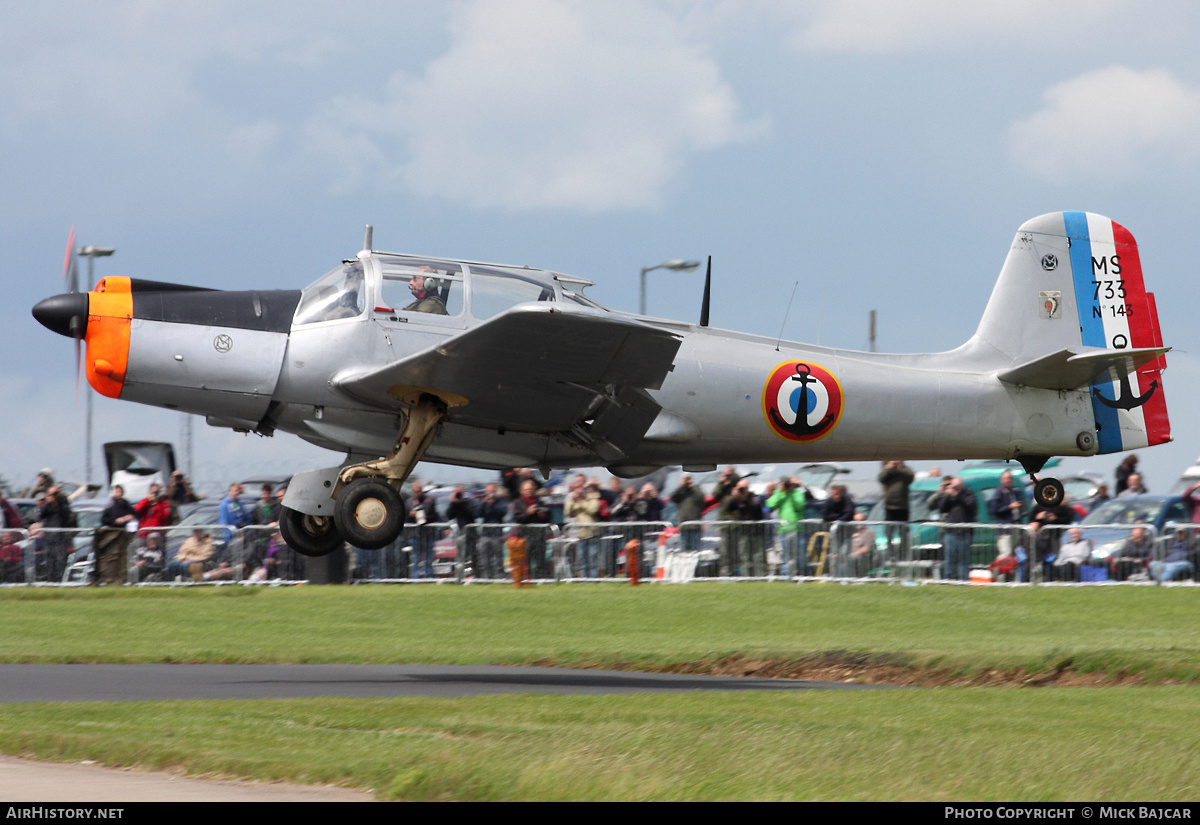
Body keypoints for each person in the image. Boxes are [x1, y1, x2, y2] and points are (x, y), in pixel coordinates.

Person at [928, 476, 976, 581]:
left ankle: (963, 581)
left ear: (961, 486)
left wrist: (957, 495)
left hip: (965, 532)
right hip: (950, 532)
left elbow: (970, 505)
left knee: (963, 560)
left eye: (956, 486)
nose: (954, 489)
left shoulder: (969, 494)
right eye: (953, 486)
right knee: (949, 560)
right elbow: (942, 508)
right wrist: (946, 495)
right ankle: (948, 580)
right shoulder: (949, 496)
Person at [96, 485, 136, 586]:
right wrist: (115, 521)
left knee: (124, 558)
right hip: (112, 535)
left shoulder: (126, 504)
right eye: (116, 491)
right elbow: (104, 520)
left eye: (120, 491)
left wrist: (126, 518)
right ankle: (109, 579)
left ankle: (122, 579)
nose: (118, 493)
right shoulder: (110, 505)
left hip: (124, 535)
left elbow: (134, 515)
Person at [510, 479, 551, 579]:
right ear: (522, 491)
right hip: (525, 537)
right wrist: (527, 513)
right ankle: (525, 580)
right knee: (525, 561)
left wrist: (543, 516)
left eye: (531, 489)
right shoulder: (517, 503)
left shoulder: (540, 501)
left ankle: (541, 579)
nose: (529, 491)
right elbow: (517, 518)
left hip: (539, 536)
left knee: (540, 560)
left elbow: (549, 517)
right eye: (527, 490)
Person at [768, 477, 807, 577]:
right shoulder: (780, 493)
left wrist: (791, 492)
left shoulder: (797, 493)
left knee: (800, 555)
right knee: (786, 555)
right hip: (784, 530)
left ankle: (801, 575)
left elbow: (799, 505)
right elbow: (770, 504)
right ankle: (786, 576)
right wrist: (780, 492)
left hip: (797, 529)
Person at [566, 478, 604, 578]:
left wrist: (581, 502)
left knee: (592, 560)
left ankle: (593, 580)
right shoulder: (575, 500)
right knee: (583, 560)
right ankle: (586, 581)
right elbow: (568, 513)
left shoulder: (593, 498)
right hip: (581, 535)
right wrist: (572, 500)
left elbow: (592, 509)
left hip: (593, 534)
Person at [989, 470, 1026, 562]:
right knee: (1006, 552)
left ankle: (1010, 575)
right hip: (1005, 528)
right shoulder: (999, 492)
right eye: (1006, 478)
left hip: (1016, 526)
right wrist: (1009, 507)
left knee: (1015, 553)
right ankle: (996, 572)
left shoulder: (1014, 492)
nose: (1008, 480)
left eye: (1010, 478)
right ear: (1002, 480)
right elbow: (995, 509)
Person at [879, 460, 914, 558]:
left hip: (903, 507)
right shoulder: (886, 471)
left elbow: (911, 476)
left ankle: (903, 555)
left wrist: (901, 468)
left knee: (904, 534)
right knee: (889, 533)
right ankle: (891, 555)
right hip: (889, 507)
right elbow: (881, 478)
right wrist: (888, 468)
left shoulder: (905, 471)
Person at [407, 480, 441, 579]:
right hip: (415, 535)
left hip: (428, 534)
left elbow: (435, 516)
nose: (418, 493)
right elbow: (406, 518)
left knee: (429, 558)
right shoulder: (409, 502)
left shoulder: (429, 500)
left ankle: (429, 576)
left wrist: (424, 516)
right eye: (416, 491)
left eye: (419, 491)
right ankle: (415, 577)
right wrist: (411, 515)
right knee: (415, 558)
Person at [669, 474, 706, 554]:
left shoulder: (696, 489)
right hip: (683, 527)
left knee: (695, 552)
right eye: (685, 479)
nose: (687, 481)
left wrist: (691, 486)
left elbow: (701, 498)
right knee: (684, 552)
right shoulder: (681, 492)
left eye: (688, 478)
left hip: (695, 527)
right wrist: (682, 486)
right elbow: (672, 497)